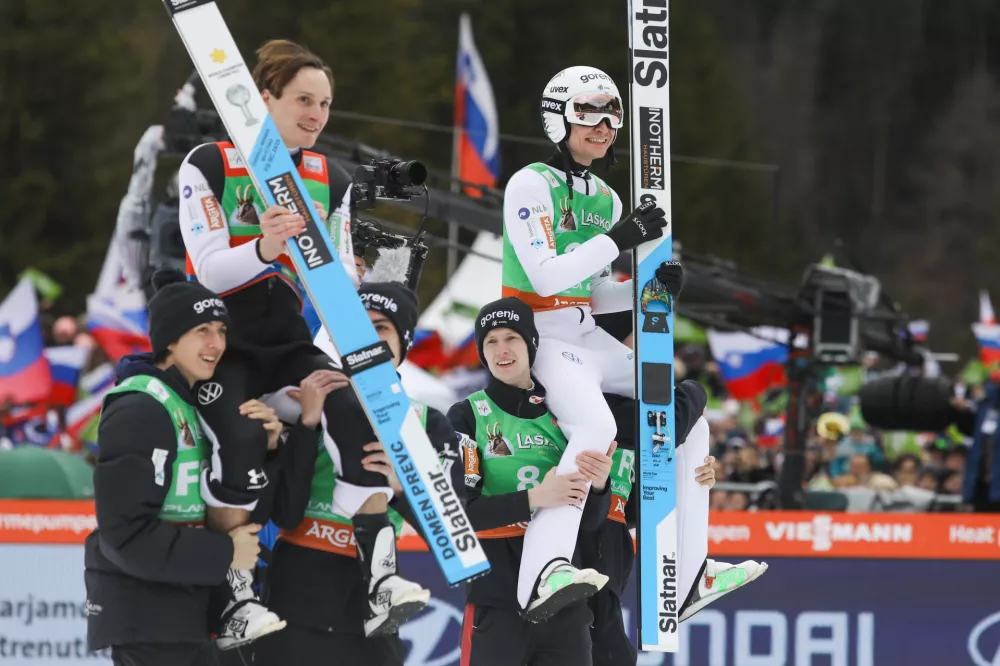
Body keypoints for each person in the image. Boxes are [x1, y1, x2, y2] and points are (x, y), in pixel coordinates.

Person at [177, 38, 428, 638]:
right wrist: (266, 247)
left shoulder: (329, 177)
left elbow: (334, 276)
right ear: (264, 100)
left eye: (326, 104)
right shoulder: (210, 162)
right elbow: (209, 269)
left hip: (288, 343)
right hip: (221, 343)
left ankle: (381, 577)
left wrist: (339, 273)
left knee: (356, 410)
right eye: (303, 100)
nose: (316, 114)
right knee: (239, 437)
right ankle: (236, 601)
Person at [501, 64, 767, 618]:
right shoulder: (530, 183)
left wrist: (653, 290)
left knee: (685, 416)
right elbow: (548, 276)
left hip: (579, 328)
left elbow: (594, 293)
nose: (602, 125)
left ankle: (691, 571)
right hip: (538, 332)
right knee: (595, 425)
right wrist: (616, 240)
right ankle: (542, 570)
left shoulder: (606, 198)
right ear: (559, 118)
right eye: (587, 112)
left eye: (611, 113)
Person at [83, 273, 317, 664]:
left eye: (222, 330)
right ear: (170, 341)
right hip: (150, 616)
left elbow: (232, 508)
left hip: (197, 609)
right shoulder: (139, 407)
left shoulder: (198, 407)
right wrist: (225, 552)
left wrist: (268, 450)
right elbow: (124, 534)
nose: (217, 344)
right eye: (202, 330)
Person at [252, 270, 464, 664]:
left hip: (372, 605)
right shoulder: (308, 400)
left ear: (405, 342)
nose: (369, 337)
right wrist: (307, 426)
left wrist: (402, 488)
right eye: (359, 327)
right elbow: (282, 509)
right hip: (296, 597)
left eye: (381, 327)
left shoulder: (425, 422)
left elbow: (452, 534)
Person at [449, 297, 616, 666]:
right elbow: (461, 513)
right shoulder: (467, 415)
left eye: (512, 338)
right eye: (490, 341)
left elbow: (587, 523)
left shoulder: (567, 415)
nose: (502, 350)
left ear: (531, 344)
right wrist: (535, 497)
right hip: (497, 601)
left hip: (564, 603)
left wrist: (600, 486)